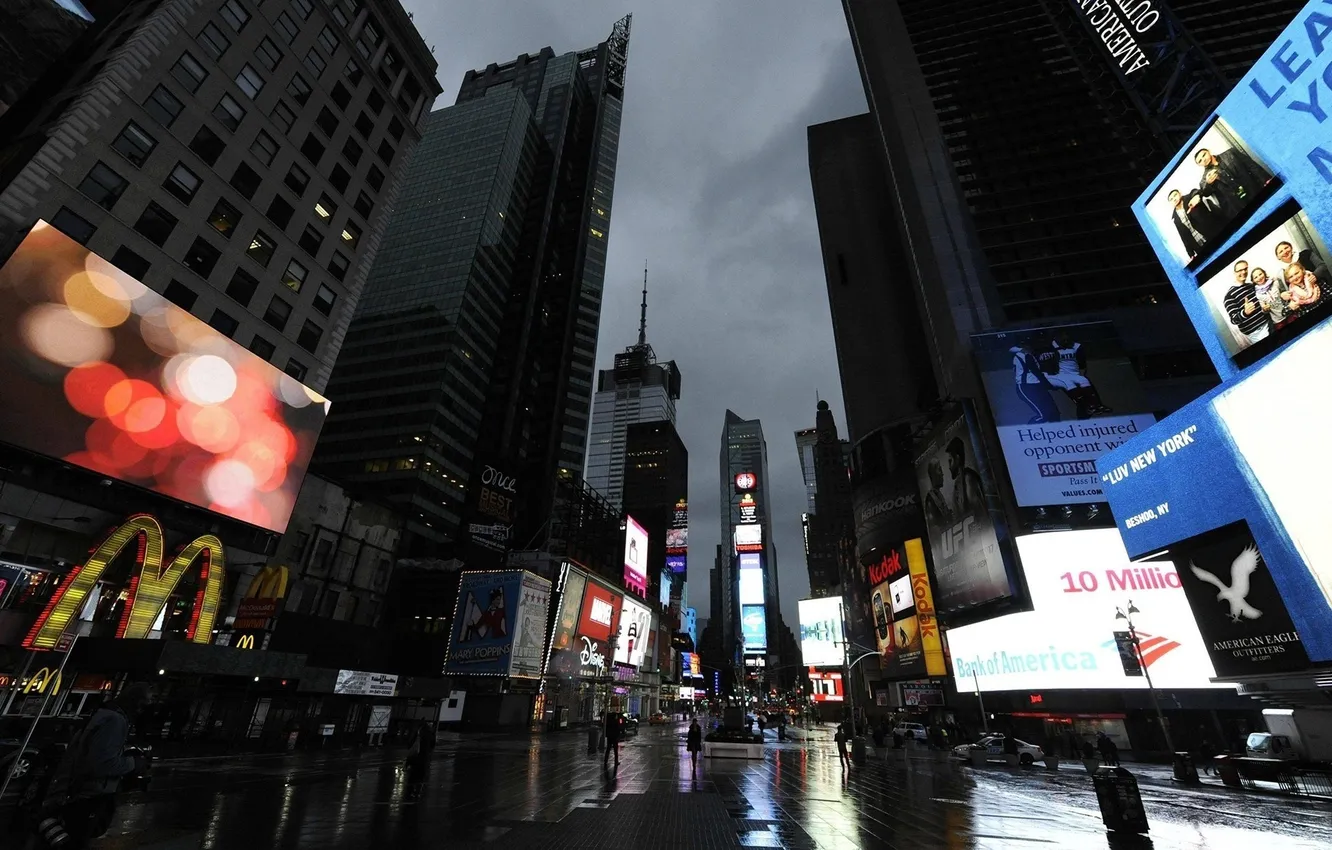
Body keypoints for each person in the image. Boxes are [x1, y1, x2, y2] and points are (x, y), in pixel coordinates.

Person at [37, 683, 151, 849]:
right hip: (86, 796)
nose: (143, 711)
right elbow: (102, 763)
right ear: (137, 703)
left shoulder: (103, 714)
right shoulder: (115, 721)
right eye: (144, 705)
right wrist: (135, 763)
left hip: (76, 792)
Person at [1040, 334, 1111, 419]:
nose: (1065, 342)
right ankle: (1084, 418)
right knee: (1079, 400)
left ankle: (1096, 406)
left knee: (1089, 391)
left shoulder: (1077, 347)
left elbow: (1082, 364)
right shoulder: (1051, 348)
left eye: (1067, 340)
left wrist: (1081, 374)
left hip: (1075, 374)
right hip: (1062, 376)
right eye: (1063, 341)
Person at [1193, 145, 1269, 217]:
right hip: (1240, 206)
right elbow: (1205, 192)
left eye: (1204, 155)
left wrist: (1265, 179)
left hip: (1255, 189)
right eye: (1200, 161)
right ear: (1199, 165)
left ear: (1209, 151)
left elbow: (1251, 165)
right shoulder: (1205, 179)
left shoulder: (1231, 153)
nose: (1204, 159)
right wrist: (1209, 183)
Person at [1223, 259, 1272, 346]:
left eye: (1245, 269)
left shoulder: (1251, 286)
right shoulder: (1229, 296)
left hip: (1270, 322)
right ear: (1234, 273)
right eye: (1240, 270)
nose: (1244, 272)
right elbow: (1234, 320)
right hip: (1257, 334)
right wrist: (1245, 313)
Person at [1010, 344, 1061, 424]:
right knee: (1043, 415)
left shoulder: (1026, 355)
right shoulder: (1025, 356)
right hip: (1026, 388)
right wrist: (1049, 385)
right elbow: (1037, 372)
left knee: (1054, 414)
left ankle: (1056, 431)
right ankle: (1029, 431)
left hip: (1037, 386)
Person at [946, 437, 986, 526]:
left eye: (950, 461)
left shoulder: (968, 478)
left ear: (957, 458)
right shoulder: (959, 482)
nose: (949, 466)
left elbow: (980, 513)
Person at [1167, 188, 1207, 258]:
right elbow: (1183, 236)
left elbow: (1195, 191)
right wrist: (1190, 254)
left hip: (1209, 233)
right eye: (1171, 199)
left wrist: (1196, 196)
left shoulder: (1189, 198)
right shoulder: (1175, 218)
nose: (1174, 199)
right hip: (1197, 245)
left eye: (1175, 195)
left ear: (1180, 193)